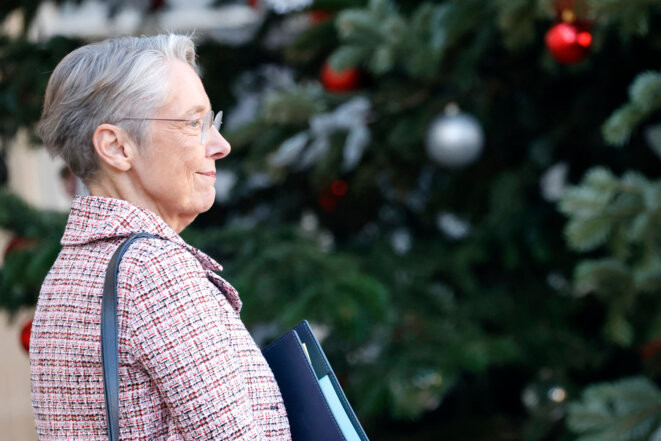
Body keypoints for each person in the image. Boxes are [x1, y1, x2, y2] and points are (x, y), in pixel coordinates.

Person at [30, 34, 291, 440]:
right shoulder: (154, 272)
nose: (220, 145)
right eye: (193, 123)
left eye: (213, 122)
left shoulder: (67, 274)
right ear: (116, 147)